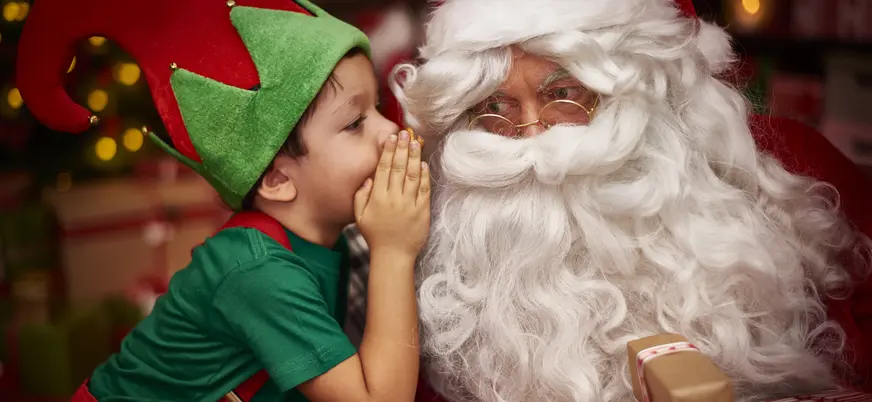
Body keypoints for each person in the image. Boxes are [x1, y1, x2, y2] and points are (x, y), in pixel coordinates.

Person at [391, 0, 872, 401]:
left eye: (564, 93)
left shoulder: (798, 171)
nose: (532, 135)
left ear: (638, 91)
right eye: (497, 107)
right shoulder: (431, 227)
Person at [16, 0, 430, 401]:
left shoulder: (329, 242)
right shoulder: (258, 271)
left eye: (376, 107)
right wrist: (394, 250)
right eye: (356, 123)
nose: (390, 131)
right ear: (278, 178)